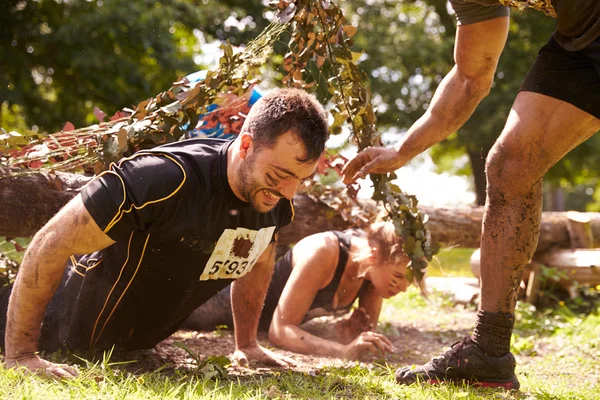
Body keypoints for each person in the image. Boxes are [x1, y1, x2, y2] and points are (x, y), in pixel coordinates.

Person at [341, 0, 600, 391]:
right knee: (511, 166)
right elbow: (470, 77)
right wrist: (404, 150)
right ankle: (489, 351)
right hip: (581, 43)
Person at [1, 88, 329, 378]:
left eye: (300, 179)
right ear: (245, 146)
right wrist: (21, 355)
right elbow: (48, 243)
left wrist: (247, 343)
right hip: (48, 327)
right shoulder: (161, 178)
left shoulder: (273, 204)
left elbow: (257, 262)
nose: (289, 192)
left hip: (125, 352)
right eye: (279, 174)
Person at [182, 221, 409, 360]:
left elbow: (362, 339)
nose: (404, 288)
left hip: (260, 322)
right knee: (179, 313)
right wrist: (342, 351)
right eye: (399, 277)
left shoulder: (374, 277)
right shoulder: (324, 252)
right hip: (223, 301)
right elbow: (280, 331)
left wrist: (350, 335)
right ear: (373, 256)